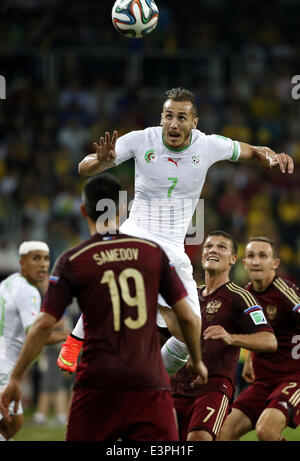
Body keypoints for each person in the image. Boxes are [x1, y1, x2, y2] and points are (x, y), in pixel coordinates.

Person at [58, 87, 294, 375]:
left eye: (182, 117)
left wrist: (270, 158)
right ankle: (75, 340)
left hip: (172, 246)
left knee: (190, 331)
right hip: (137, 231)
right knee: (117, 279)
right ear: (161, 118)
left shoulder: (208, 146)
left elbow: (254, 152)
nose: (173, 123)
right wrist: (102, 161)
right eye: (168, 116)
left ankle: (153, 379)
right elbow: (84, 168)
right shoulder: (142, 139)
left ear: (194, 123)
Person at [0, 173, 208, 442]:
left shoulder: (72, 260)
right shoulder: (152, 254)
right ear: (122, 210)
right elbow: (189, 319)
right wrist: (197, 359)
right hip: (147, 378)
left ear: (83, 210)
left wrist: (16, 378)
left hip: (98, 378)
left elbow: (42, 324)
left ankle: (75, 344)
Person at [170, 230, 277, 441]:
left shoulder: (240, 297)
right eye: (209, 246)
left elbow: (269, 340)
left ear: (233, 259)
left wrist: (230, 337)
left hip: (213, 387)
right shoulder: (189, 295)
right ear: (202, 255)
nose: (213, 250)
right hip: (176, 387)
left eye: (221, 247)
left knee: (199, 438)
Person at [218, 237, 300, 441]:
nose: (256, 261)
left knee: (266, 431)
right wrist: (252, 358)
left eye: (263, 256)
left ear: (275, 263)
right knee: (222, 433)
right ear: (244, 263)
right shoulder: (245, 296)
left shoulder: (286, 294)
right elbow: (261, 329)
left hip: (293, 379)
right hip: (263, 381)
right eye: (251, 256)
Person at [0, 241, 68, 441]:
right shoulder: (30, 292)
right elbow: (36, 335)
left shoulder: (10, 281)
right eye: (36, 258)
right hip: (5, 365)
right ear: (22, 262)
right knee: (14, 423)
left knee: (9, 425)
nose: (43, 264)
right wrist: (69, 336)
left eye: (46, 259)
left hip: (5, 358)